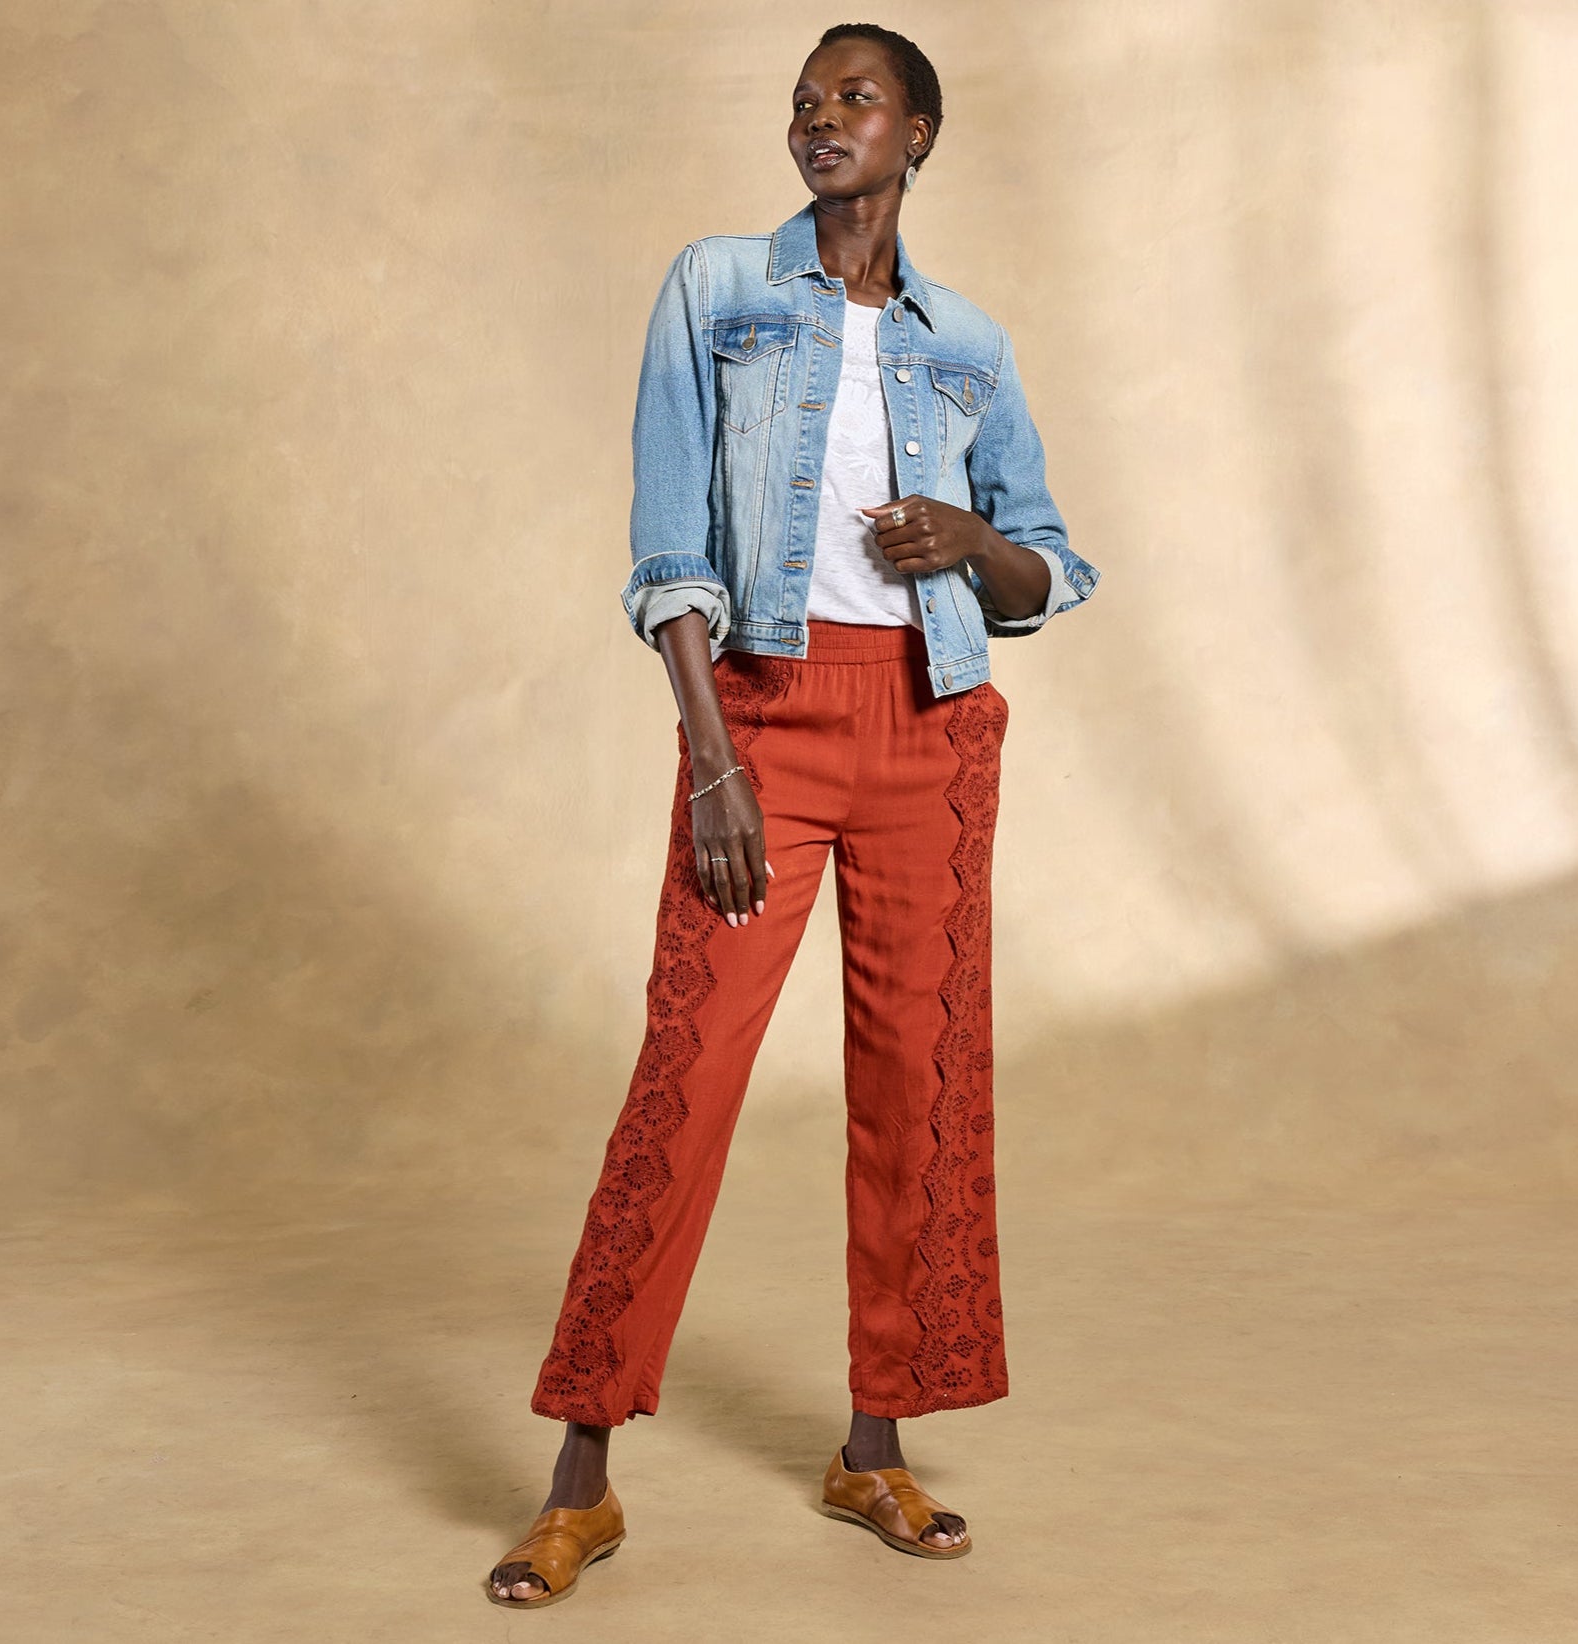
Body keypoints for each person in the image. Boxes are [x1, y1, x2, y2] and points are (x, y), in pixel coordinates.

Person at [487, 22, 1098, 1608]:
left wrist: (969, 536)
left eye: (858, 98)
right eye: (807, 101)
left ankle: (873, 1448)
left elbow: (1048, 564)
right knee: (684, 1081)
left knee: (918, 1087)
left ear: (919, 134)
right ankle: (579, 1479)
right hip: (759, 715)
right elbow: (666, 544)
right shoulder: (718, 290)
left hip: (929, 725)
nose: (823, 118)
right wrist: (714, 758)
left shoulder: (969, 343)